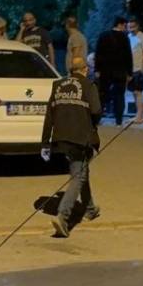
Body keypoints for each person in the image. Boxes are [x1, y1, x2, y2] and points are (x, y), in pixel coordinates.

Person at [40, 56, 101, 238]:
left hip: (61, 138)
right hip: (80, 138)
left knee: (81, 171)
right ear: (85, 69)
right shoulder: (89, 85)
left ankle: (90, 209)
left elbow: (49, 115)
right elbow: (96, 110)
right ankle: (63, 216)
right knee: (78, 176)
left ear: (70, 69)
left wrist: (45, 142)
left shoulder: (58, 85)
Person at [94, 17, 134, 125]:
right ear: (120, 25)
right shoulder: (124, 38)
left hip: (105, 71)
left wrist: (97, 69)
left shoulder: (103, 36)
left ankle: (97, 119)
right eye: (124, 26)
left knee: (102, 95)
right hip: (120, 71)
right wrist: (129, 72)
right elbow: (128, 56)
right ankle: (119, 120)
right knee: (119, 96)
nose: (125, 28)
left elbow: (98, 53)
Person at [127, 18, 143, 124]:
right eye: (129, 27)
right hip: (130, 69)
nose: (131, 29)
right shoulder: (128, 37)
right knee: (134, 92)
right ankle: (138, 114)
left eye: (133, 27)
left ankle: (140, 116)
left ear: (138, 26)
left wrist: (142, 68)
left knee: (138, 92)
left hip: (138, 69)